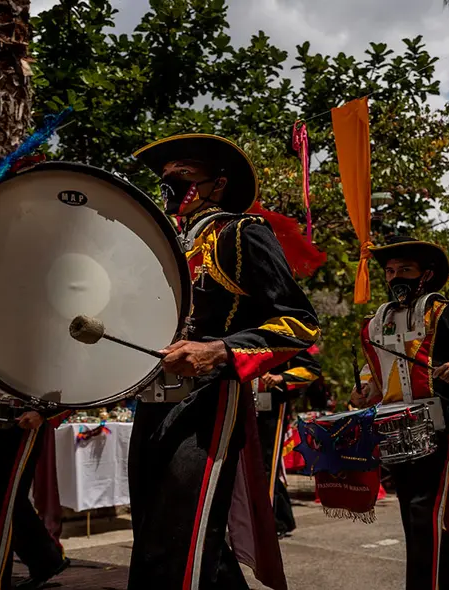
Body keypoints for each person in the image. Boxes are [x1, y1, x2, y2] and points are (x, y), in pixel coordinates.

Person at [128, 134, 319, 590]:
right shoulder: (160, 245)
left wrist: (217, 351)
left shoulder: (241, 233)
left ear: (217, 184)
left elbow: (300, 323)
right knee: (157, 530)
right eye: (166, 178)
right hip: (151, 399)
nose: (170, 185)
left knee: (181, 537)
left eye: (183, 176)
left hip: (208, 401)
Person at [349, 235, 449, 590]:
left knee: (423, 508)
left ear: (426, 275)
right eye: (390, 271)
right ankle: (448, 578)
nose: (395, 278)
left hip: (435, 423)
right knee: (414, 512)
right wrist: (363, 393)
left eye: (405, 269)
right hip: (390, 427)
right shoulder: (373, 324)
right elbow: (375, 376)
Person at [0, 407, 71, 590]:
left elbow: (71, 383)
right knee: (1, 501)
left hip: (27, 419)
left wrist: (44, 413)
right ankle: (47, 559)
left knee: (2, 506)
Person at [254, 345, 322, 538]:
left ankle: (268, 522)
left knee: (267, 464)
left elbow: (312, 370)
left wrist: (281, 377)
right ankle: (281, 518)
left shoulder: (281, 338)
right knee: (256, 465)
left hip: (271, 407)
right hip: (245, 405)